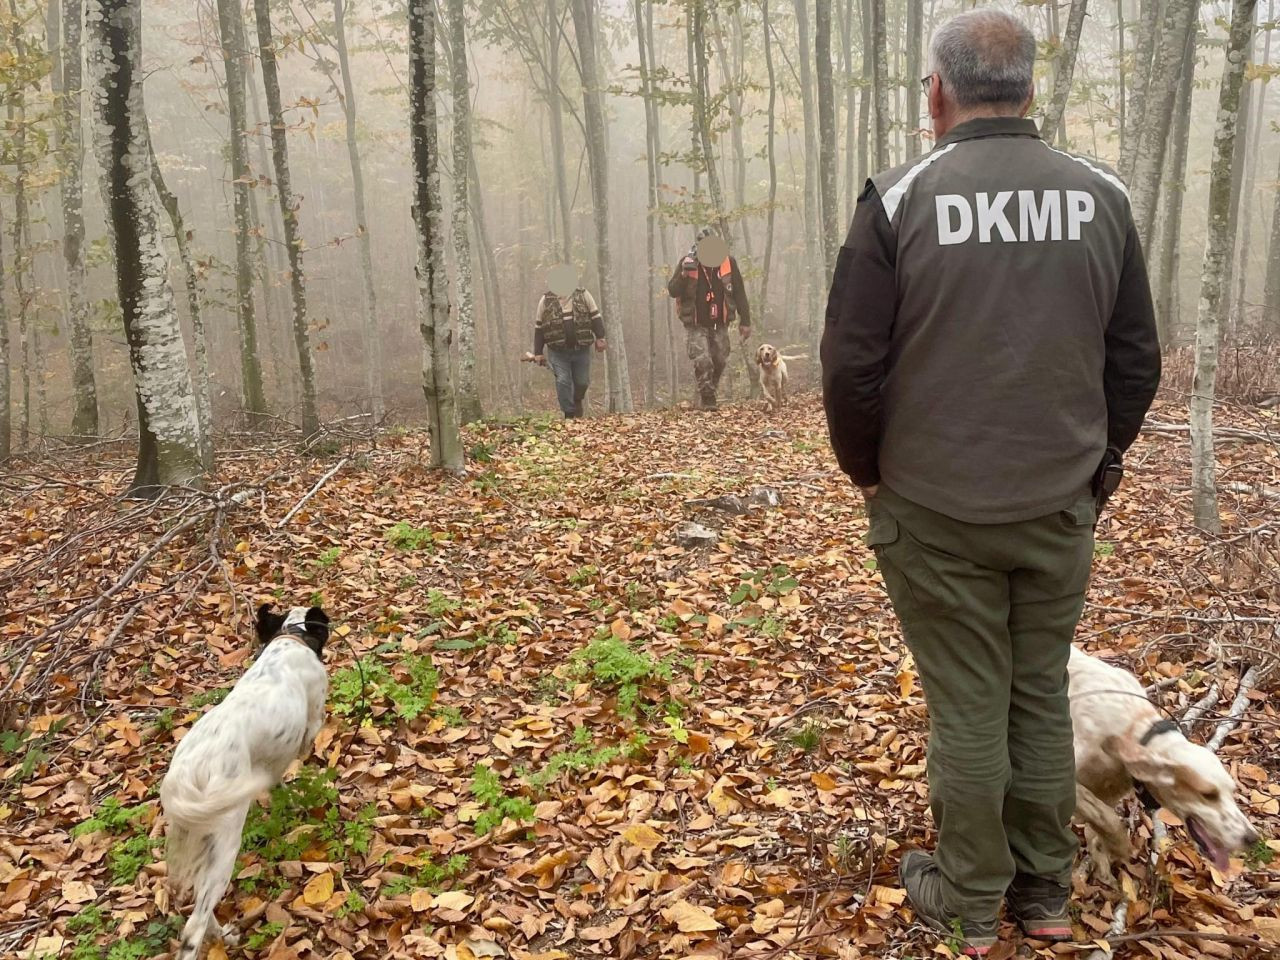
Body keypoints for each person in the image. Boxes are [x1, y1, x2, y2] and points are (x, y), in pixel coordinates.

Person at [821, 10, 1160, 957]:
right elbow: (1135, 358)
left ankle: (972, 902)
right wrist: (1099, 466)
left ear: (938, 92)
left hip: (936, 509)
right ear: (1032, 92)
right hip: (1057, 505)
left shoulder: (899, 198)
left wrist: (871, 477)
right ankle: (1044, 890)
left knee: (971, 701)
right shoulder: (1101, 195)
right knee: (1036, 695)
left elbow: (851, 365)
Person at [668, 228, 750, 409]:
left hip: (719, 322)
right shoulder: (687, 263)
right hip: (695, 323)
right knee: (703, 360)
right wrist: (683, 275)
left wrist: (746, 321)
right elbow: (673, 290)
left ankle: (708, 389)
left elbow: (739, 293)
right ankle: (708, 399)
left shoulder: (729, 263)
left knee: (720, 359)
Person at [532, 269, 607, 419]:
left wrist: (600, 337)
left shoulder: (583, 295)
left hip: (581, 349)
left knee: (582, 382)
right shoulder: (545, 300)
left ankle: (577, 400)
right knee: (563, 380)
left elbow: (595, 317)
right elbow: (539, 328)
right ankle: (569, 413)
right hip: (558, 352)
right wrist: (538, 352)